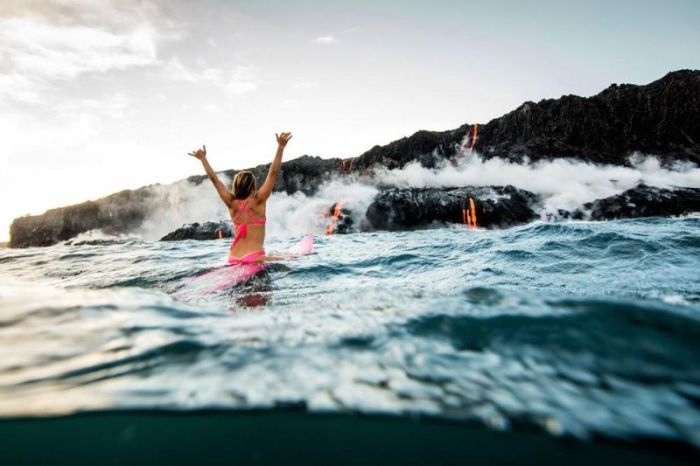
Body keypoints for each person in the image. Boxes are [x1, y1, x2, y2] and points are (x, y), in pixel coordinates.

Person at [188, 132, 293, 265]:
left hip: (233, 258)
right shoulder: (258, 201)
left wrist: (203, 159)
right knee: (293, 259)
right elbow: (273, 173)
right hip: (254, 258)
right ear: (253, 185)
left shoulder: (231, 203)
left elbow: (215, 180)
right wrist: (280, 147)